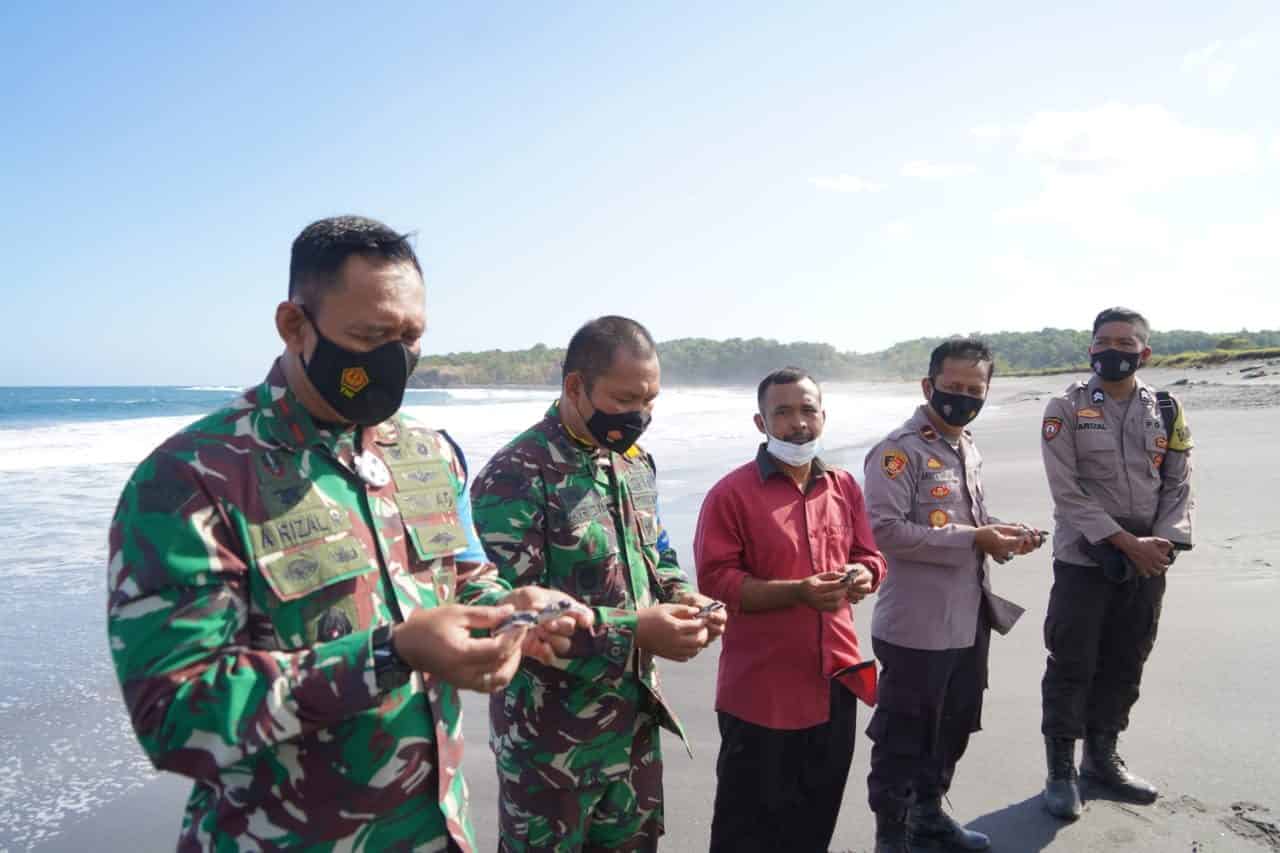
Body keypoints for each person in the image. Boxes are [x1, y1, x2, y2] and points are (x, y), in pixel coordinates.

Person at [106, 216, 590, 851]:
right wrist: (389, 653)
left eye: (411, 336)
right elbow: (172, 714)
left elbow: (464, 579)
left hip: (439, 831)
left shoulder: (428, 453)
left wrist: (513, 614)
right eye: (370, 336)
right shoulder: (193, 478)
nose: (394, 358)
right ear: (294, 325)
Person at [471, 315, 726, 853]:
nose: (641, 415)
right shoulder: (515, 475)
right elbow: (508, 617)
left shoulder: (634, 464)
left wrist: (688, 598)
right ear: (574, 387)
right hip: (550, 750)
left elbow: (658, 554)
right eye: (625, 399)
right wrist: (637, 632)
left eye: (651, 400)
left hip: (632, 732)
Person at [693, 367, 887, 853]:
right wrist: (797, 592)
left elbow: (870, 555)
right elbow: (716, 581)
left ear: (823, 416)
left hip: (836, 680)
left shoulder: (843, 486)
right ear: (761, 423)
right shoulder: (730, 494)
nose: (798, 423)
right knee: (745, 831)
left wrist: (866, 574)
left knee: (813, 821)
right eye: (782, 412)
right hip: (761, 693)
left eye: (807, 410)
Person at [862, 338, 1043, 853]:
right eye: (953, 387)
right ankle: (891, 835)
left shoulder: (968, 446)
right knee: (904, 735)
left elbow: (971, 523)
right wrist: (974, 538)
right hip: (917, 626)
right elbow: (888, 534)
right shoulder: (898, 452)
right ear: (928, 386)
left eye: (974, 389)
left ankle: (929, 815)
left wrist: (1002, 535)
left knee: (955, 724)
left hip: (968, 617)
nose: (963, 398)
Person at [1039, 307, 1194, 819]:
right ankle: (1060, 771)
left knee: (1127, 659)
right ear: (1090, 350)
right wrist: (1126, 540)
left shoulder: (1168, 408)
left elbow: (1178, 482)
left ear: (1144, 353)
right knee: (1072, 661)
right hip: (1085, 557)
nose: (1114, 350)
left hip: (1150, 560)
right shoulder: (1064, 406)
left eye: (1125, 343)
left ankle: (1101, 759)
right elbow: (1067, 492)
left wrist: (1164, 542)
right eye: (1104, 341)